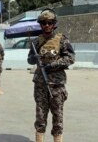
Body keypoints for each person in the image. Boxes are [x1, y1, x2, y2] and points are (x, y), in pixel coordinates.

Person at [27, 8, 75, 142]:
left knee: (57, 117)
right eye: (43, 23)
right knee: (40, 116)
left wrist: (52, 65)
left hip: (57, 85)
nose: (46, 25)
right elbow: (29, 58)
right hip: (41, 83)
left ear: (54, 23)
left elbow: (70, 58)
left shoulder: (62, 39)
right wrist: (33, 58)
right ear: (40, 24)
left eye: (49, 22)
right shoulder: (36, 41)